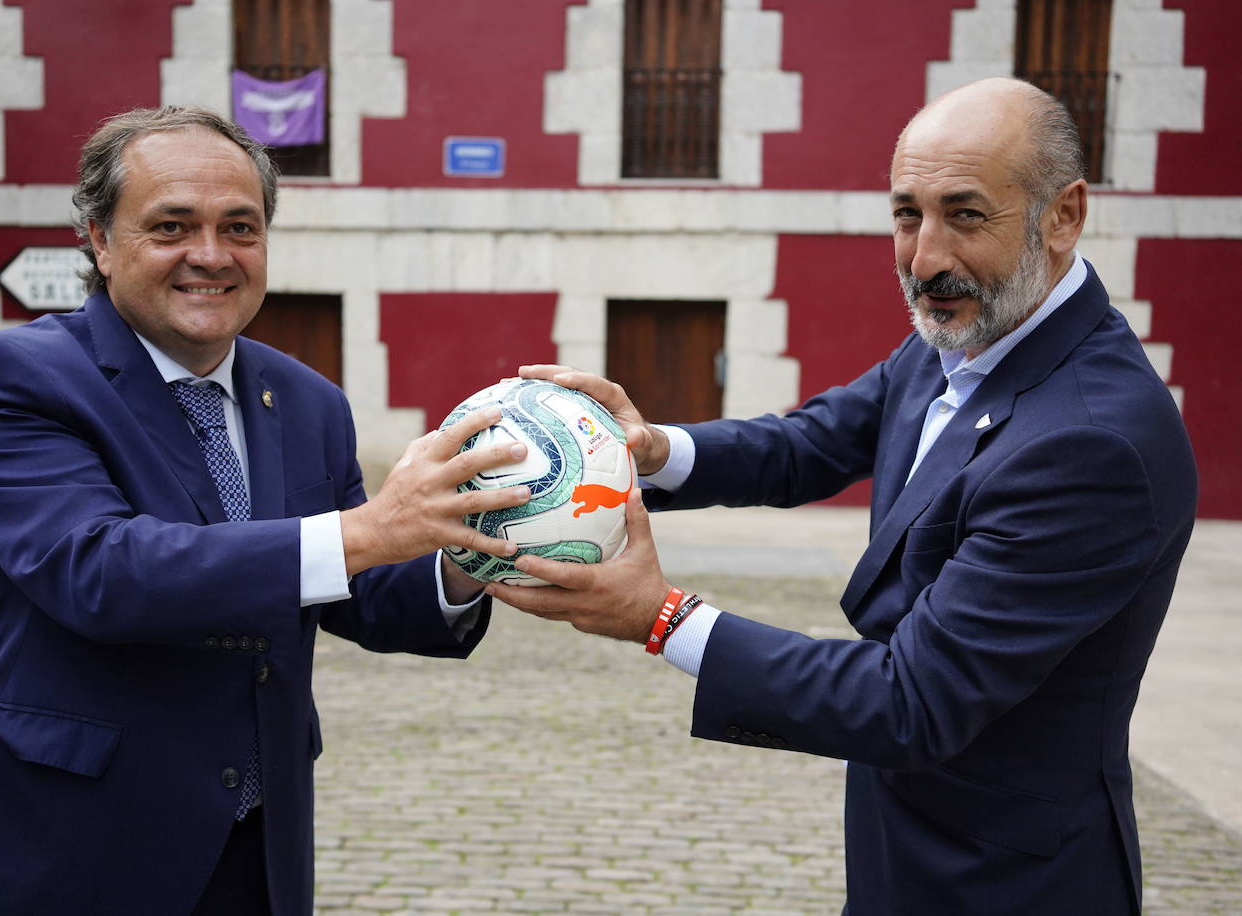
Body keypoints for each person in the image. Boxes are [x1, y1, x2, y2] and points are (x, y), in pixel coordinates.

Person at [496, 77, 1198, 914]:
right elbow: (812, 442)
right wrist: (640, 451)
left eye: (965, 215)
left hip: (1007, 882)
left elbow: (912, 699)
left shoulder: (1093, 444)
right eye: (907, 215)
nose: (924, 259)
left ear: (1064, 214)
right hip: (901, 850)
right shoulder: (976, 336)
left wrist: (663, 617)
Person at [0, 107, 531, 916]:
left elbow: (358, 590)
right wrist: (368, 529)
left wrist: (464, 554)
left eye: (240, 227)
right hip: (60, 846)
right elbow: (101, 571)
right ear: (100, 240)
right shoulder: (10, 377)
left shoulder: (309, 401)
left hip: (254, 848)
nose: (211, 256)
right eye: (171, 226)